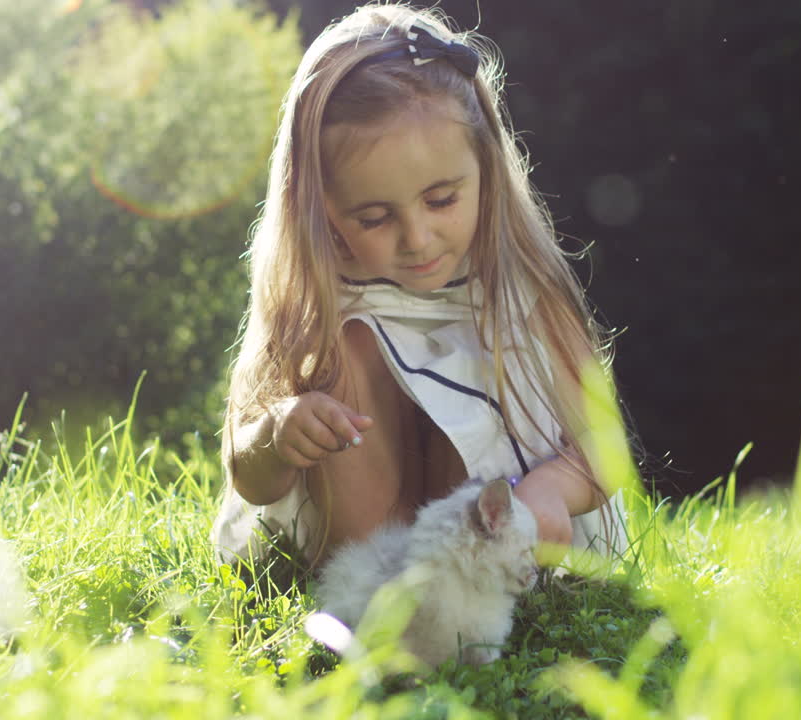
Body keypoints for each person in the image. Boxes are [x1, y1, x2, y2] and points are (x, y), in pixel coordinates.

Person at [212, 3, 628, 567]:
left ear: (486, 166)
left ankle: (472, 581)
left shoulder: (522, 289)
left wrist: (554, 487)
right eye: (375, 217)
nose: (418, 238)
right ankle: (379, 584)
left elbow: (606, 444)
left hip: (508, 544)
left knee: (482, 364)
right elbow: (249, 475)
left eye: (441, 200)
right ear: (323, 210)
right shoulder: (318, 303)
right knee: (345, 348)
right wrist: (280, 433)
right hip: (370, 544)